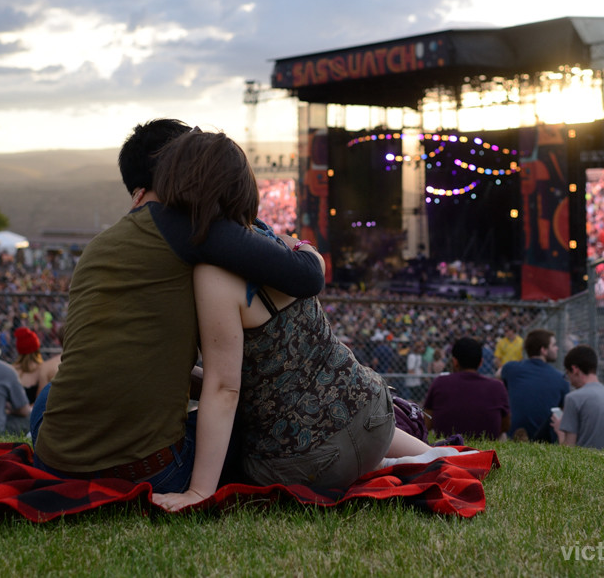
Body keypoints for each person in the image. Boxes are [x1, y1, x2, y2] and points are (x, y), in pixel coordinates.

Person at [150, 132, 459, 512]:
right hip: (376, 415)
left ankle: (386, 464)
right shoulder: (277, 244)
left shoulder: (212, 274)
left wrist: (198, 493)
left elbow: (225, 389)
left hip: (307, 460)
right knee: (335, 417)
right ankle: (426, 458)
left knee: (250, 453)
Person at [31, 119, 325, 493]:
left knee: (48, 397)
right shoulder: (192, 228)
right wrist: (308, 250)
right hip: (151, 473)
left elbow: (127, 362)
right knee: (247, 417)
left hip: (54, 460)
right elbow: (306, 278)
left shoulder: (101, 243)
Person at [423, 337, 510, 440]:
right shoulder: (497, 387)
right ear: (480, 362)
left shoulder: (440, 383)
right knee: (503, 437)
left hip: (447, 445)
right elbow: (505, 426)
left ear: (455, 362)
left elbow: (426, 423)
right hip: (487, 445)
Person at [499, 329, 569, 442]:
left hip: (513, 435)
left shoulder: (510, 368)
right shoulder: (561, 379)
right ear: (543, 350)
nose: (557, 348)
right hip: (546, 441)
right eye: (554, 345)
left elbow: (498, 374)